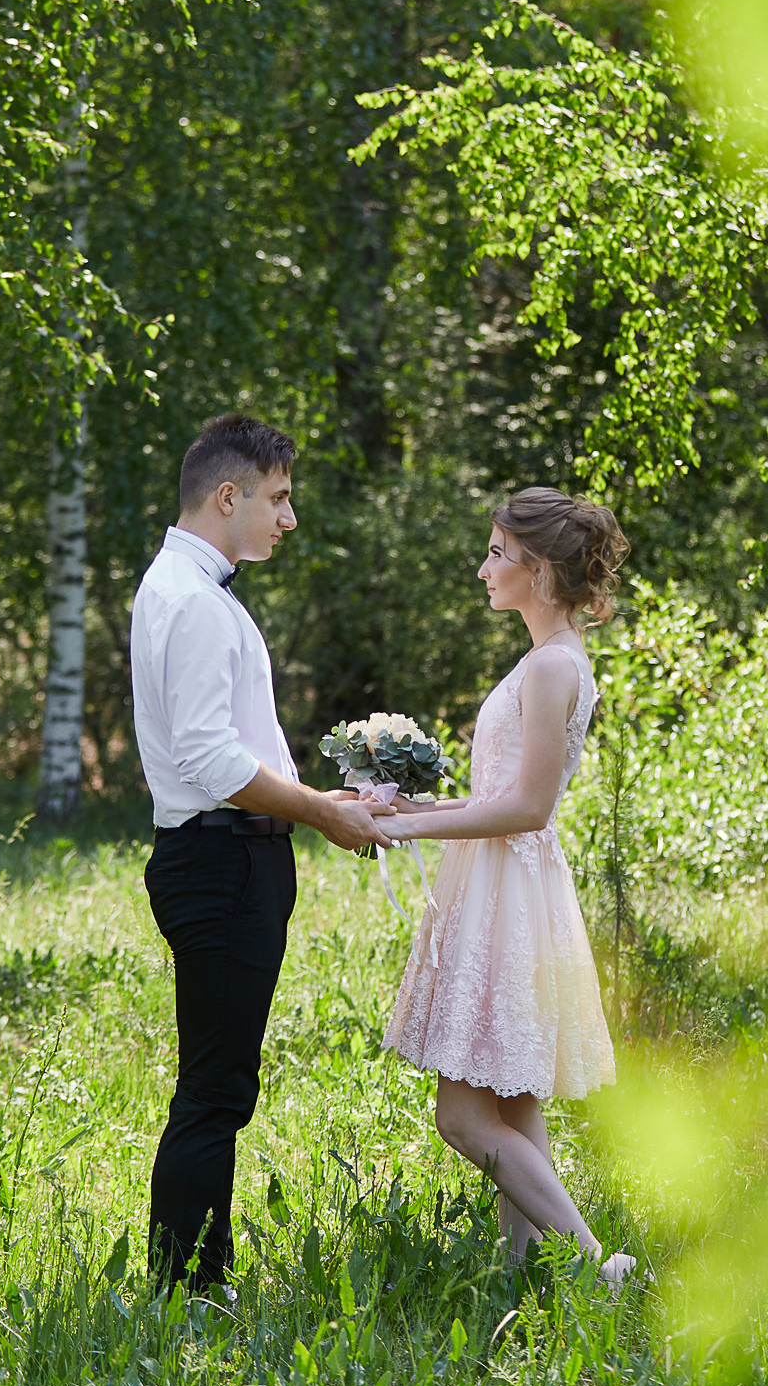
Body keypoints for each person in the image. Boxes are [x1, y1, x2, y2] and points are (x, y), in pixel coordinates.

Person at [130, 414, 385, 1292]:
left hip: (225, 857)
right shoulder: (194, 600)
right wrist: (319, 811)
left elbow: (232, 745)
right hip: (220, 860)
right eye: (278, 498)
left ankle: (198, 1277)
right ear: (228, 495)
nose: (290, 517)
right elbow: (209, 759)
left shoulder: (190, 588)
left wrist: (320, 796)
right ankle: (187, 1291)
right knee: (215, 1088)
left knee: (219, 1081)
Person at [376, 487, 636, 1282]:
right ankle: (528, 1269)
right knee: (515, 1096)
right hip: (496, 886)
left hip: (510, 898)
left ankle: (592, 1261)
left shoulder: (556, 665)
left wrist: (410, 828)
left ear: (540, 571)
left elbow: (527, 808)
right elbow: (498, 794)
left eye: (497, 553)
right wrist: (407, 804)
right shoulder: (539, 659)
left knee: (462, 1114)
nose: (484, 566)